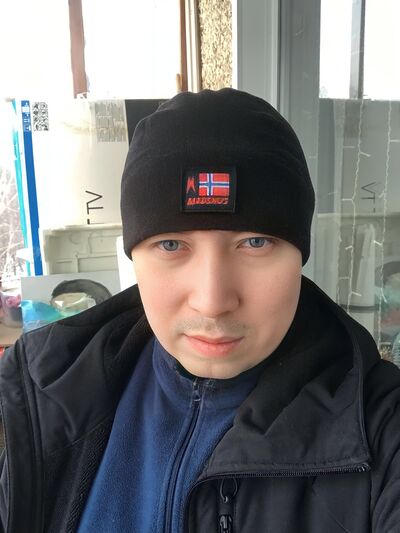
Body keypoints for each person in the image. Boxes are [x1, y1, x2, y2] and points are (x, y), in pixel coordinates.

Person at [0, 88, 399, 533]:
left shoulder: (383, 429)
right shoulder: (48, 395)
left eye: (255, 242)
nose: (212, 301)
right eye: (171, 245)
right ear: (134, 257)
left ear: (298, 257)